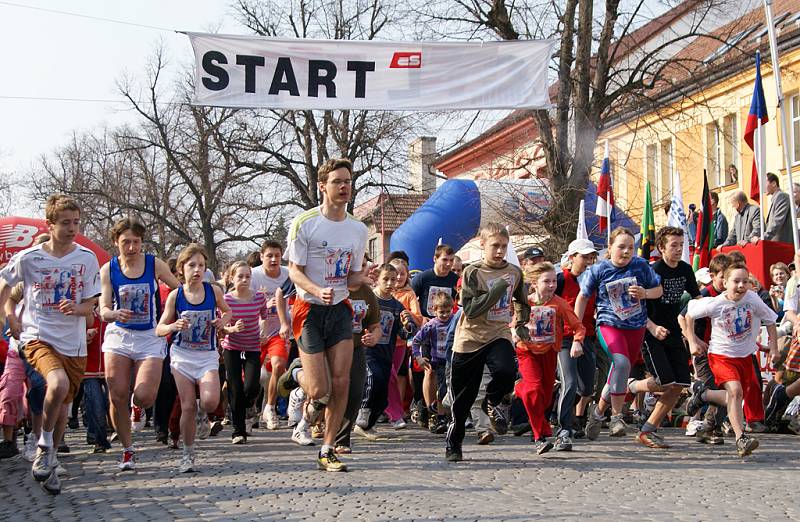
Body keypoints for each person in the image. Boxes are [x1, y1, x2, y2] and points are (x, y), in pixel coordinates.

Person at [0, 195, 101, 495]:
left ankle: (51, 456)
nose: (72, 228)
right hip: (37, 336)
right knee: (55, 384)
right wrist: (8, 317)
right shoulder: (30, 258)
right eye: (66, 223)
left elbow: (91, 303)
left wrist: (78, 309)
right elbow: (5, 286)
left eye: (76, 222)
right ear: (51, 225)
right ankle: (43, 446)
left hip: (73, 342)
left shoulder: (86, 258)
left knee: (63, 409)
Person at [279, 157, 368, 472]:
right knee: (320, 390)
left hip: (341, 310)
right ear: (322, 187)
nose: (344, 187)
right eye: (337, 182)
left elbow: (353, 276)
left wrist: (363, 278)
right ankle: (296, 374)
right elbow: (294, 271)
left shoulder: (358, 229)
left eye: (348, 181)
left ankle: (328, 448)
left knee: (341, 382)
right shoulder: (305, 222)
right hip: (309, 310)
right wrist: (317, 290)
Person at [445, 222, 530, 462]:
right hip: (469, 339)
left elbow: (521, 299)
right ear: (483, 245)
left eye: (504, 246)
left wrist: (522, 323)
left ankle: (493, 401)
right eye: (495, 246)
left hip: (498, 333)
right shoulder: (472, 272)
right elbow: (471, 310)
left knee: (506, 370)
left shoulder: (514, 272)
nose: (500, 251)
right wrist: (498, 289)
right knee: (463, 399)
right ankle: (454, 443)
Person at [98, 218, 179, 471]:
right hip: (119, 335)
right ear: (116, 242)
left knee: (144, 396)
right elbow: (103, 308)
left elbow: (179, 290)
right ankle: (127, 449)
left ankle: (138, 407)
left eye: (136, 242)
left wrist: (202, 299)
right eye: (126, 242)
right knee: (117, 393)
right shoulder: (108, 269)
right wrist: (112, 314)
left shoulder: (154, 264)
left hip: (148, 336)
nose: (132, 247)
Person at [683, 262, 779, 457]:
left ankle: (704, 395)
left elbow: (770, 320)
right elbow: (689, 314)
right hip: (721, 356)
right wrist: (692, 341)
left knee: (736, 397)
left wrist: (775, 349)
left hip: (745, 356)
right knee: (735, 392)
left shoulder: (753, 299)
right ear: (725, 282)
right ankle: (740, 438)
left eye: (745, 281)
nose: (741, 285)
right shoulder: (716, 302)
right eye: (736, 281)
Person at [578, 227, 662, 440]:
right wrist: (577, 330)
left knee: (618, 372)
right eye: (621, 247)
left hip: (635, 327)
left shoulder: (640, 266)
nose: (626, 252)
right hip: (608, 325)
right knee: (622, 364)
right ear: (610, 248)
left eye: (630, 248)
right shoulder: (599, 269)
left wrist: (645, 293)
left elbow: (658, 290)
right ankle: (617, 416)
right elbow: (582, 297)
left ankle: (596, 414)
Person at [156, 244, 232, 473]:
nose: (197, 270)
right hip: (181, 355)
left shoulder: (213, 292)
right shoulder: (175, 296)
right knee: (187, 404)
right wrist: (173, 325)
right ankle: (187, 454)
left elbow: (228, 312)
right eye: (192, 265)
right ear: (181, 269)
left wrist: (222, 322)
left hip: (206, 354)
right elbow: (159, 329)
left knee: (209, 401)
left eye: (201, 265)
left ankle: (203, 414)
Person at [628, 227, 700, 449]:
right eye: (674, 245)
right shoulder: (653, 271)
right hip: (651, 332)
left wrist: (694, 333)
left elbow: (696, 301)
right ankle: (632, 386)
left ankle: (648, 430)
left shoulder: (686, 270)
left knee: (679, 384)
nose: (679, 250)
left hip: (673, 333)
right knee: (663, 382)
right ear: (661, 248)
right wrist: (652, 327)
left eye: (681, 245)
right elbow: (637, 307)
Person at [516, 262, 585, 455]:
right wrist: (515, 331)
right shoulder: (524, 303)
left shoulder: (559, 304)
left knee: (544, 399)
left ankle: (519, 388)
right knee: (534, 390)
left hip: (549, 353)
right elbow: (510, 323)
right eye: (547, 281)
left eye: (554, 281)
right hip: (527, 352)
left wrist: (577, 342)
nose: (552, 285)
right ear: (534, 284)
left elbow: (578, 326)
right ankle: (540, 436)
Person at [355, 264, 415, 438]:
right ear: (378, 279)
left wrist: (407, 325)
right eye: (385, 279)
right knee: (372, 379)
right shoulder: (370, 299)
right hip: (368, 351)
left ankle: (369, 425)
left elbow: (402, 334)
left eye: (393, 280)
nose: (389, 283)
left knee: (382, 392)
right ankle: (363, 412)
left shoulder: (397, 306)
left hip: (386, 353)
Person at [678, 253, 730, 445]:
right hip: (703, 350)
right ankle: (702, 410)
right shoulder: (706, 294)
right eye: (722, 277)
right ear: (713, 276)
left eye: (728, 277)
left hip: (723, 350)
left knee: (727, 387)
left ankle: (711, 426)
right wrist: (694, 340)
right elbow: (682, 318)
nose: (726, 282)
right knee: (713, 387)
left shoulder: (732, 295)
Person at [553, 238, 598, 449]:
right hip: (563, 339)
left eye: (591, 257)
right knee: (569, 382)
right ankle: (564, 429)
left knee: (587, 386)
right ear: (572, 258)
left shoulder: (595, 281)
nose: (589, 261)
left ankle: (574, 413)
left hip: (587, 337)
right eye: (584, 257)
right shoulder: (561, 280)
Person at [334, 262, 381, 454]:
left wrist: (373, 337)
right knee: (326, 391)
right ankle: (298, 372)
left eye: (365, 264)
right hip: (333, 348)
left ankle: (342, 439)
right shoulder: (337, 289)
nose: (363, 269)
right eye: (358, 265)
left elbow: (376, 326)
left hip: (356, 347)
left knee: (354, 392)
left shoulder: (367, 292)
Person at [221, 261, 269, 444]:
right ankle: (238, 431)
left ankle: (249, 407)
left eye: (247, 276)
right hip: (232, 347)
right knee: (235, 388)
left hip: (251, 347)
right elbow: (221, 326)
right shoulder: (226, 299)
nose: (244, 280)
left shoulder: (258, 297)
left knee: (251, 386)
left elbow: (264, 315)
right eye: (240, 276)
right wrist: (232, 329)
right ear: (232, 278)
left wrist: (263, 330)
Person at [250, 240, 291, 430]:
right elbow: (241, 301)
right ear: (261, 257)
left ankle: (270, 408)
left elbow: (295, 300)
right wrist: (262, 307)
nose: (274, 260)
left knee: (278, 365)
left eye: (277, 255)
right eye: (269, 256)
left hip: (278, 333)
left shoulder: (288, 274)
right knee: (249, 381)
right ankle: (247, 411)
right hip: (254, 334)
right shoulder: (253, 276)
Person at [411, 291, 454, 435]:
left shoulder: (455, 321)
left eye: (448, 311)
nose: (445, 315)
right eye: (441, 312)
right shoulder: (431, 325)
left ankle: (443, 412)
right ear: (434, 310)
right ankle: (440, 417)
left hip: (452, 360)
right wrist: (418, 357)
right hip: (438, 361)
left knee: (451, 388)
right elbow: (416, 341)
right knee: (442, 389)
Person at [386, 257, 422, 429]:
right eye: (394, 275)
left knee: (393, 375)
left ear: (407, 275)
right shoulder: (381, 292)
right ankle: (383, 409)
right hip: (381, 342)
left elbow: (418, 318)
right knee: (383, 376)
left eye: (401, 274)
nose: (398, 278)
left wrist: (404, 315)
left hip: (399, 343)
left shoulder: (409, 294)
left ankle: (396, 411)